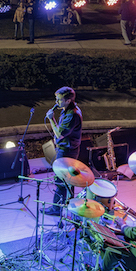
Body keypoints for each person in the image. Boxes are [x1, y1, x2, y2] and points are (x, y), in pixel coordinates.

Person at [44, 86, 83, 216]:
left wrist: (51, 119)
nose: (56, 103)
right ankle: (70, 205)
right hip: (68, 148)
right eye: (56, 99)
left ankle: (57, 209)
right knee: (68, 179)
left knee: (61, 180)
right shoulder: (67, 110)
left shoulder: (72, 115)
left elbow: (60, 134)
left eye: (59, 100)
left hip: (67, 151)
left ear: (68, 100)